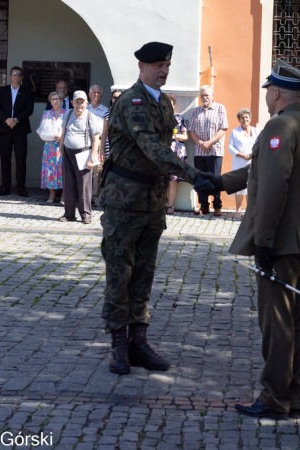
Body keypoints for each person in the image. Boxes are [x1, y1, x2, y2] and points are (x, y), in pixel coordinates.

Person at [194, 59, 300, 420]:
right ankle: (295, 395)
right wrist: (220, 183)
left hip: (282, 243)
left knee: (277, 323)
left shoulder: (278, 125)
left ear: (278, 93)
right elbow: (261, 169)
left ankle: (274, 398)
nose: (266, 94)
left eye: (269, 89)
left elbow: (272, 187)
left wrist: (264, 242)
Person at [98, 41, 215, 375]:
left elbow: (166, 148)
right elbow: (152, 147)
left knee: (144, 274)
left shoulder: (163, 103)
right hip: (124, 203)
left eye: (166, 65)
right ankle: (118, 345)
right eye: (157, 66)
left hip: (151, 203)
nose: (163, 71)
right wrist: (193, 174)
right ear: (142, 67)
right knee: (120, 273)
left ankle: (139, 341)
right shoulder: (132, 101)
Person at [57, 91, 101, 224]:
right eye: (77, 102)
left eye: (82, 102)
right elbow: (63, 132)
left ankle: (86, 214)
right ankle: (69, 214)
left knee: (84, 186)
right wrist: (61, 148)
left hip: (83, 153)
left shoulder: (91, 117)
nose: (79, 105)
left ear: (86, 103)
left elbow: (96, 140)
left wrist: (92, 158)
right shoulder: (68, 114)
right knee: (68, 184)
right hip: (68, 152)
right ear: (72, 103)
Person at [187, 85, 228, 216]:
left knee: (216, 179)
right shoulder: (196, 111)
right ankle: (204, 205)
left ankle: (217, 206)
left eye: (207, 95)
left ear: (212, 95)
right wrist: (201, 143)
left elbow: (223, 128)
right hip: (199, 151)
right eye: (203, 95)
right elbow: (191, 130)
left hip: (215, 150)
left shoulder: (220, 108)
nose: (205, 97)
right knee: (200, 179)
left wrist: (210, 142)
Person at [0, 66, 35, 197]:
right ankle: (5, 187)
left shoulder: (27, 91)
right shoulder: (2, 91)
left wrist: (16, 120)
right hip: (4, 129)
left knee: (20, 159)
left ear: (22, 78)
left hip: (20, 130)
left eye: (19, 75)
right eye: (14, 74)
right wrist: (6, 119)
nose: (16, 76)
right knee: (5, 159)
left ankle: (21, 187)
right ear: (10, 76)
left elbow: (29, 109)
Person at [227, 108, 258, 220]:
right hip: (239, 162)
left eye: (246, 117)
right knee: (239, 186)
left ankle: (250, 211)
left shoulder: (256, 131)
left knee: (251, 186)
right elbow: (230, 147)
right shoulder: (234, 132)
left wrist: (252, 154)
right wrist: (242, 155)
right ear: (239, 120)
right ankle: (238, 210)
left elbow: (260, 144)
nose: (245, 119)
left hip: (252, 162)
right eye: (242, 118)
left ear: (250, 118)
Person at [38, 91, 67, 202]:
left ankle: (64, 196)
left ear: (61, 100)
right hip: (49, 147)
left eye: (57, 99)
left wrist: (62, 137)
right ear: (50, 101)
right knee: (50, 170)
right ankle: (52, 194)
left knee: (63, 170)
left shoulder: (67, 113)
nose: (55, 101)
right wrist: (51, 136)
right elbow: (41, 132)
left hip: (63, 145)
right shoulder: (46, 114)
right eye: (53, 99)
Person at [165, 94, 187, 215]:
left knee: (173, 179)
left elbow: (185, 136)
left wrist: (173, 136)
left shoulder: (178, 118)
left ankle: (170, 206)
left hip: (176, 152)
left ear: (174, 105)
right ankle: (160, 204)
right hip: (160, 152)